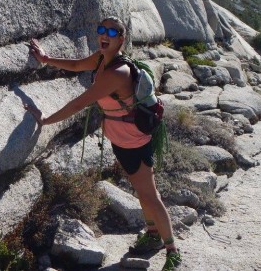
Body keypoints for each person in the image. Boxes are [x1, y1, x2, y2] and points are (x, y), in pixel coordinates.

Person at [24, 16, 182, 270]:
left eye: (111, 31)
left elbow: (81, 102)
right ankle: (152, 235)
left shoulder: (118, 72)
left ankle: (172, 251)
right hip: (121, 138)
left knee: (150, 195)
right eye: (101, 29)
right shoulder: (100, 59)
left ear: (122, 39)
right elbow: (76, 64)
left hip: (135, 139)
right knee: (141, 190)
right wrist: (46, 58)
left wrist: (46, 120)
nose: (104, 34)